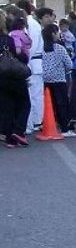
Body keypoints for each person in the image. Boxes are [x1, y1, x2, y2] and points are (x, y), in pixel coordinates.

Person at [17, 2, 55, 134]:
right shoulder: (32, 24)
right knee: (35, 94)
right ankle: (36, 120)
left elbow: (30, 47)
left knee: (34, 95)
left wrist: (24, 62)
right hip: (35, 63)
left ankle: (35, 121)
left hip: (33, 62)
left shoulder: (31, 24)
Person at [0, 10, 31, 148]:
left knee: (7, 107)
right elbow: (22, 57)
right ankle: (18, 131)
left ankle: (9, 138)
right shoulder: (8, 39)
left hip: (1, 78)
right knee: (25, 104)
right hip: (14, 76)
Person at [41, 23, 75, 137]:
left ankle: (50, 124)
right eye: (57, 32)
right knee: (62, 104)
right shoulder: (59, 48)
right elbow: (69, 64)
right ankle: (65, 128)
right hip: (59, 79)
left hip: (45, 79)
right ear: (53, 34)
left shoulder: (42, 48)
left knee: (51, 104)